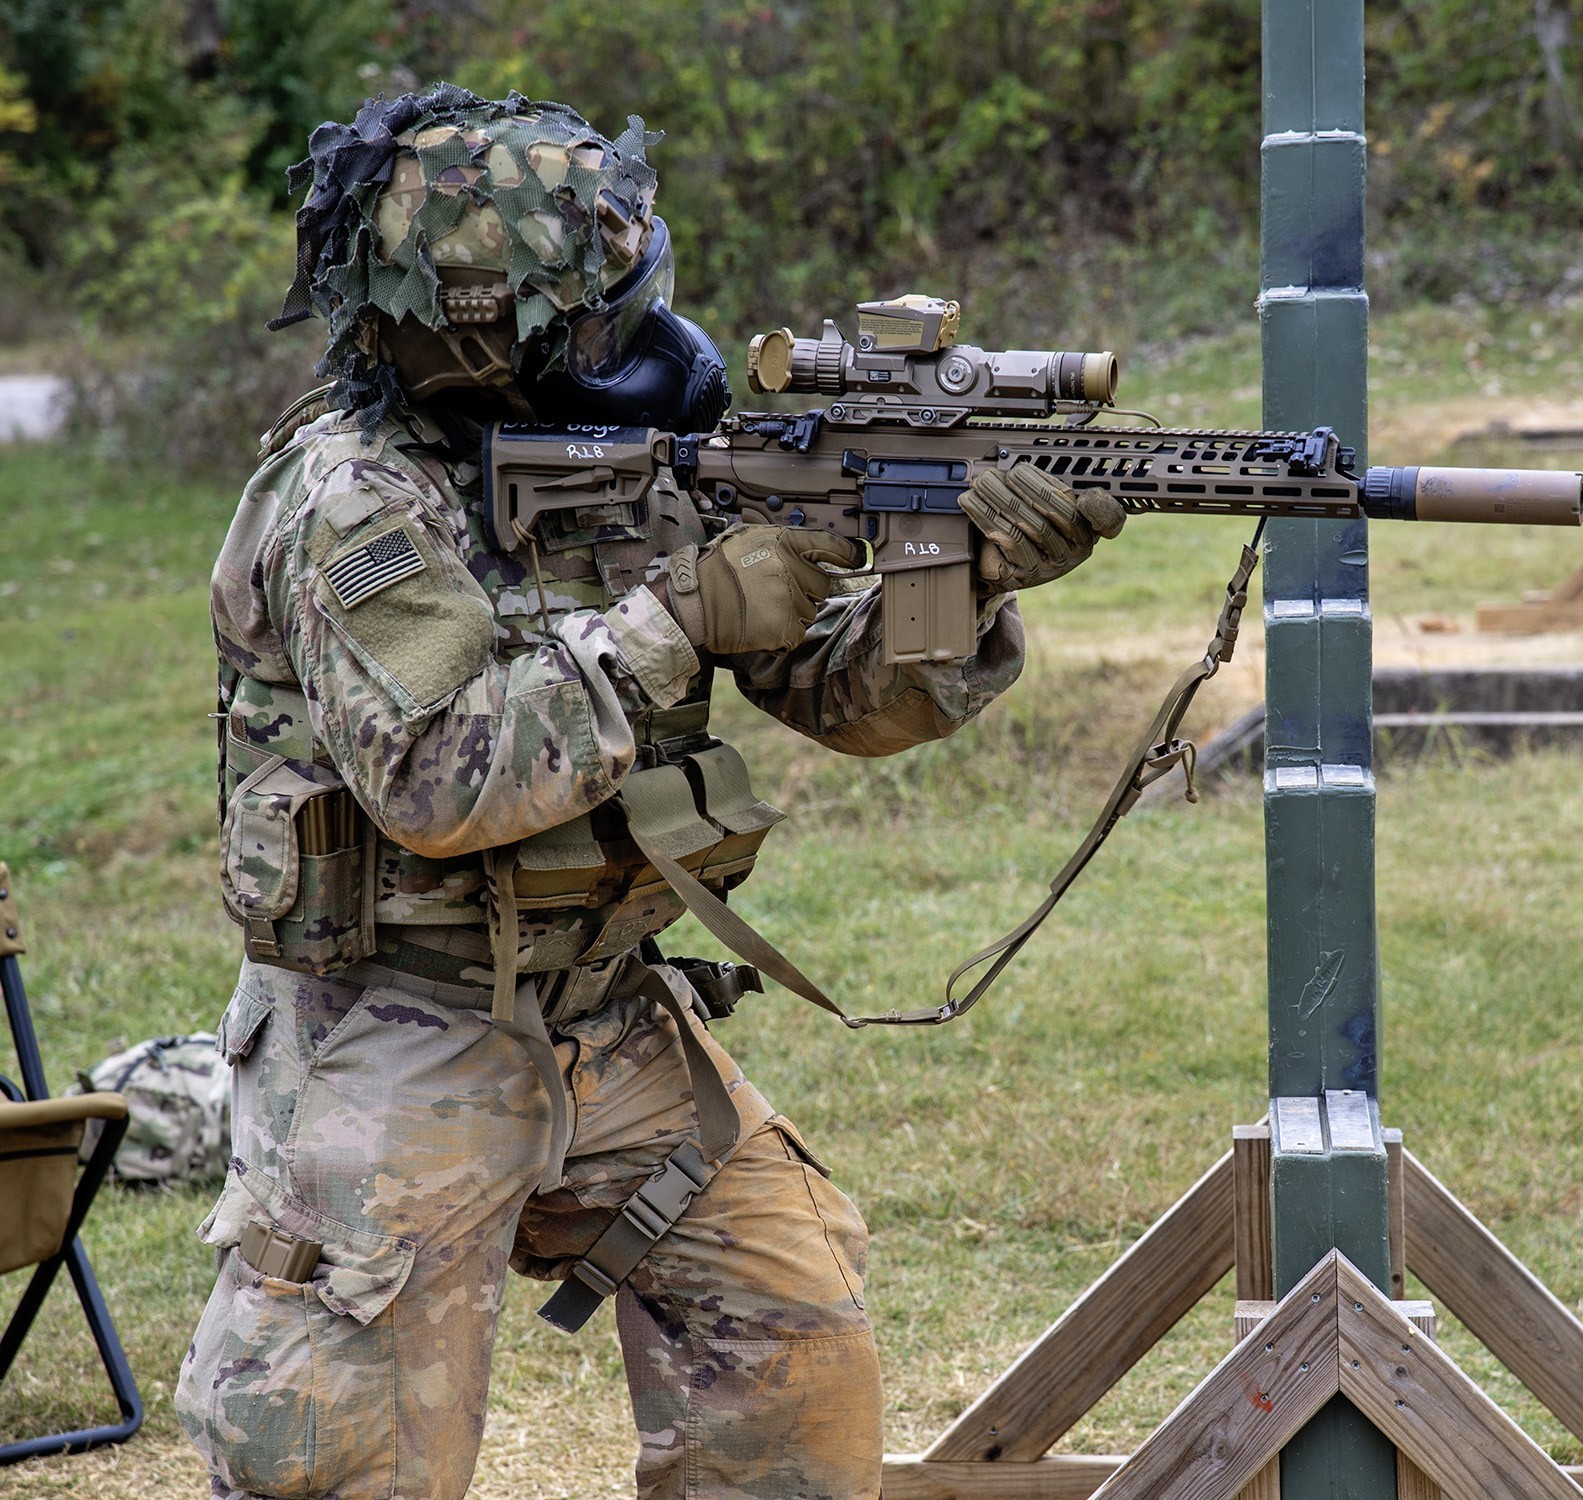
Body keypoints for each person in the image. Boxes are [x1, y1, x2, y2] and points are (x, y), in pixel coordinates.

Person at [179, 84, 1121, 1500]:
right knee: (341, 1458)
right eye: (599, 308)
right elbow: (441, 778)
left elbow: (841, 699)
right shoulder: (353, 500)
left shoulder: (655, 464)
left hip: (606, 1017)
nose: (641, 337)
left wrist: (965, 582)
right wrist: (677, 619)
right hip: (391, 1029)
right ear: (489, 327)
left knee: (795, 1337)